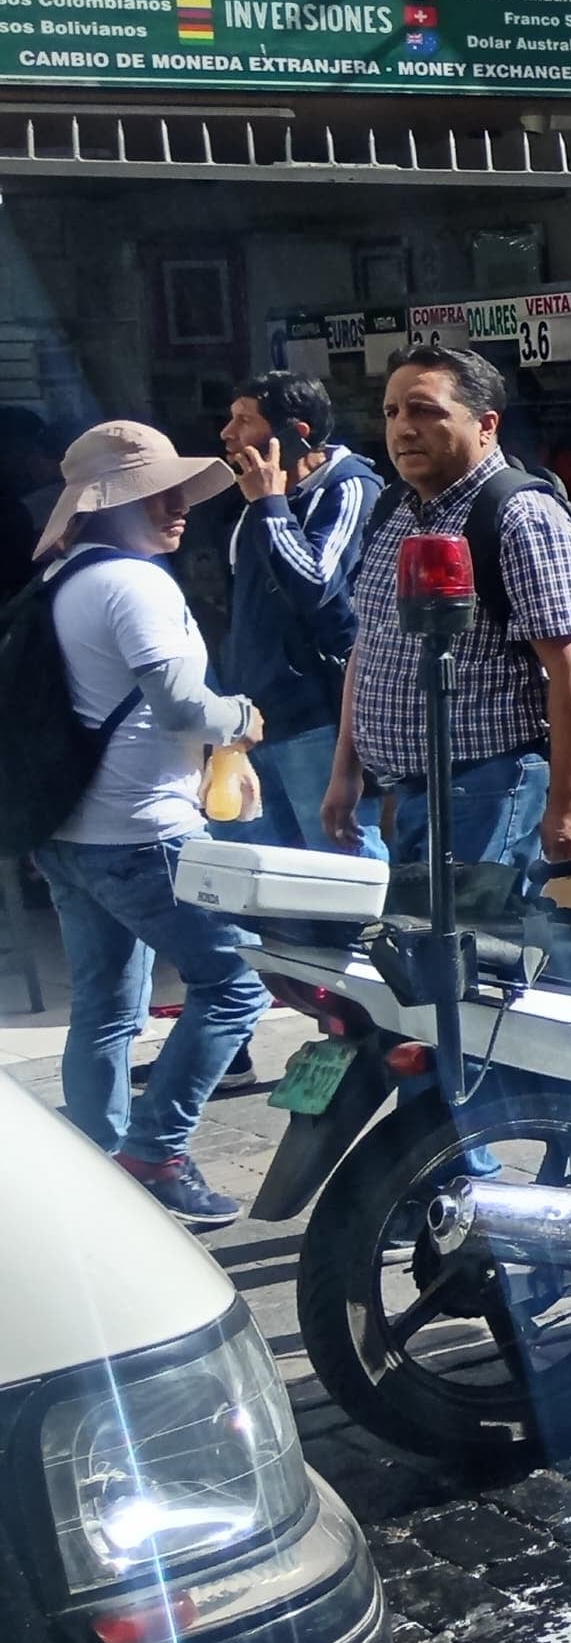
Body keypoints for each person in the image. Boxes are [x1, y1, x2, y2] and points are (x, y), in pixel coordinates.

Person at [28, 421, 268, 1225]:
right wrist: (240, 716)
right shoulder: (135, 585)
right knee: (234, 988)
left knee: (105, 1008)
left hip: (70, 833)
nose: (177, 508)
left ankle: (99, 1176)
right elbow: (182, 707)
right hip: (142, 834)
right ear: (109, 504)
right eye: (157, 494)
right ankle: (156, 1153)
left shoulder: (67, 578)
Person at [324, 345, 571, 868]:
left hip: (489, 789)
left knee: (483, 944)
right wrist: (346, 773)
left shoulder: (520, 516)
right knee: (419, 943)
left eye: (425, 411)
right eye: (392, 412)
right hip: (407, 792)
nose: (403, 429)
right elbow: (371, 646)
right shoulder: (393, 510)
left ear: (486, 425)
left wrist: (569, 800)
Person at [217, 372, 384, 853]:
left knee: (342, 862)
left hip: (316, 717)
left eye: (244, 421)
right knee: (267, 874)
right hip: (255, 717)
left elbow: (315, 584)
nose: (228, 434)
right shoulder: (259, 501)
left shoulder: (349, 488)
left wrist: (271, 503)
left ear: (297, 433)